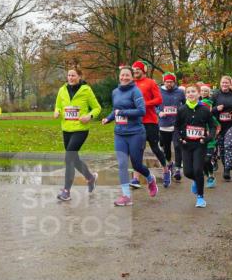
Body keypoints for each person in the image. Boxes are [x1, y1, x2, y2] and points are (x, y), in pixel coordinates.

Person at [102, 65, 157, 206]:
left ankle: (150, 179)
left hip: (135, 133)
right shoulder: (115, 92)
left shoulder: (135, 91)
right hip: (120, 133)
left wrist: (123, 113)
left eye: (127, 75)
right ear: (119, 76)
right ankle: (126, 196)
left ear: (132, 77)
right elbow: (115, 110)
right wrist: (108, 118)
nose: (124, 77)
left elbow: (141, 111)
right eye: (122, 75)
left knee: (137, 165)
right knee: (122, 164)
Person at [53, 67, 101, 201]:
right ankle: (90, 178)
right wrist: (57, 111)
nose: (70, 78)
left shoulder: (86, 90)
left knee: (69, 158)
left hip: (80, 129)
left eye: (73, 75)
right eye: (69, 75)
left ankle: (66, 191)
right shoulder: (62, 90)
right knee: (74, 159)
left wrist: (89, 116)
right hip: (66, 129)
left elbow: (97, 108)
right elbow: (58, 105)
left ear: (79, 76)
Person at [175, 84, 217, 208]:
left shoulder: (204, 110)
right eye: (188, 92)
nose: (190, 94)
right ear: (186, 95)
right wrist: (179, 139)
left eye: (193, 91)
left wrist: (208, 138)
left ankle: (200, 197)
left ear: (198, 94)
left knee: (198, 170)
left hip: (200, 144)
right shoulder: (182, 110)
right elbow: (176, 126)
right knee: (188, 172)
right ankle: (196, 180)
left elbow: (213, 126)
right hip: (186, 145)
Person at [129, 60, 167, 189]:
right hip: (135, 122)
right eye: (133, 70)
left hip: (150, 121)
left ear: (143, 70)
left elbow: (159, 100)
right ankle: (135, 179)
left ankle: (166, 170)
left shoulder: (150, 82)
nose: (135, 72)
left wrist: (144, 104)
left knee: (155, 148)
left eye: (138, 69)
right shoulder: (131, 84)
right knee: (137, 150)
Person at [211, 75, 232, 181]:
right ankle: (225, 163)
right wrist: (216, 108)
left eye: (227, 83)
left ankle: (227, 169)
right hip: (219, 125)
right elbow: (208, 109)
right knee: (221, 148)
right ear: (220, 83)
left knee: (229, 145)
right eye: (223, 82)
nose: (225, 84)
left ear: (230, 84)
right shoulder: (215, 95)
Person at [158, 72, 185, 186]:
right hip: (164, 124)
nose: (169, 84)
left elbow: (185, 103)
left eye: (171, 82)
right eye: (167, 82)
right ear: (164, 82)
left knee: (178, 146)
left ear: (174, 82)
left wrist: (182, 112)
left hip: (177, 125)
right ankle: (170, 163)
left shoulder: (179, 92)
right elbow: (154, 106)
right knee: (166, 148)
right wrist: (159, 112)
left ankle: (178, 169)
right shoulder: (159, 91)